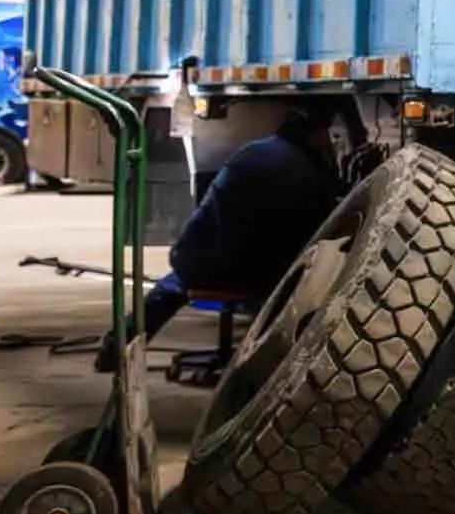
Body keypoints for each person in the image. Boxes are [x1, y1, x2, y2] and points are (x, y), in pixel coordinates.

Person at [93, 98, 354, 373]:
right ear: (315, 136)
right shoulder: (312, 177)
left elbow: (209, 214)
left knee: (170, 289)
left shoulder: (252, 152)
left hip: (202, 265)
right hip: (260, 278)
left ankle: (115, 349)